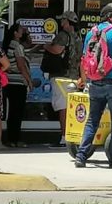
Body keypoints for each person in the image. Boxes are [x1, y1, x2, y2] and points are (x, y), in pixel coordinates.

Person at [74, 3, 112, 169]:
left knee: (92, 120)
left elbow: (84, 59)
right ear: (110, 17)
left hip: (95, 81)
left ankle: (81, 156)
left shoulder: (91, 32)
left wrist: (85, 79)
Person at [43, 10, 82, 146]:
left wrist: (46, 46)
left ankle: (64, 137)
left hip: (61, 77)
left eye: (63, 20)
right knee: (72, 107)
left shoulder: (63, 35)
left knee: (63, 107)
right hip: (74, 76)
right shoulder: (78, 37)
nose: (61, 22)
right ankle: (74, 135)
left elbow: (57, 50)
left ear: (67, 22)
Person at [3, 22, 37, 147]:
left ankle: (11, 138)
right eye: (21, 30)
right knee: (17, 112)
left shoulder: (10, 45)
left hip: (9, 81)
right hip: (18, 82)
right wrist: (29, 81)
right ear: (15, 33)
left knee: (12, 111)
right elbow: (21, 65)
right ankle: (15, 139)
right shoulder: (17, 46)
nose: (22, 31)